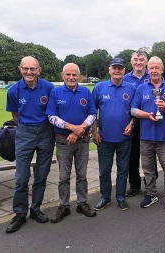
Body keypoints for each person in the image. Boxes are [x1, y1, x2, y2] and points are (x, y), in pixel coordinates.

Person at [5, 56, 55, 233]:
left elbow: (53, 111)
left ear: (39, 70)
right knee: (21, 177)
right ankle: (20, 213)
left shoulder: (49, 88)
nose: (29, 72)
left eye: (32, 69)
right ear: (20, 69)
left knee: (41, 174)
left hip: (45, 132)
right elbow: (15, 116)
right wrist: (27, 128)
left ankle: (35, 209)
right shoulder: (13, 90)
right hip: (24, 132)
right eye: (25, 69)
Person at [46, 63, 97, 223]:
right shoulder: (55, 92)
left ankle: (82, 203)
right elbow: (51, 117)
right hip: (63, 141)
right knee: (63, 176)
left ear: (79, 76)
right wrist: (72, 128)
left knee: (82, 175)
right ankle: (64, 206)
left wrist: (80, 129)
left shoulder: (86, 92)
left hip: (82, 141)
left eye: (75, 75)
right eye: (68, 74)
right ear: (63, 76)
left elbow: (93, 113)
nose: (71, 77)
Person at [130, 56, 165, 210]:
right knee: (148, 169)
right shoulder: (141, 88)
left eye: (156, 68)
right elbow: (133, 109)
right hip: (146, 136)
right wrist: (146, 115)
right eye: (151, 68)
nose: (153, 71)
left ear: (162, 70)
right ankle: (151, 193)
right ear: (148, 69)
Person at [92, 58, 136, 211]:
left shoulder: (131, 88)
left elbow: (134, 110)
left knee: (123, 170)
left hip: (124, 138)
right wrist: (94, 131)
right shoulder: (99, 87)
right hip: (104, 138)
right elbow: (92, 112)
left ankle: (121, 197)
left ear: (124, 70)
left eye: (120, 68)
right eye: (114, 68)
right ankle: (105, 197)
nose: (117, 70)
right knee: (104, 170)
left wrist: (131, 124)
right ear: (109, 69)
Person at [123, 50, 150, 197]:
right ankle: (134, 184)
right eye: (135, 59)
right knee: (132, 156)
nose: (138, 62)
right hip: (131, 124)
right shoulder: (125, 78)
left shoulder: (153, 75)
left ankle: (150, 183)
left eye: (141, 59)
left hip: (149, 123)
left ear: (146, 62)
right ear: (131, 62)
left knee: (149, 155)